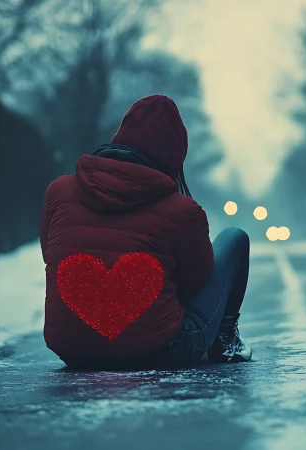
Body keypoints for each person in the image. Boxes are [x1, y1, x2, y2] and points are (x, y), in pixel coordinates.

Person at [39, 94, 251, 369]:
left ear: (120, 137)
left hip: (72, 350)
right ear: (175, 155)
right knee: (234, 237)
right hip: (161, 351)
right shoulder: (181, 210)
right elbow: (196, 284)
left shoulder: (59, 190)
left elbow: (50, 253)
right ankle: (225, 341)